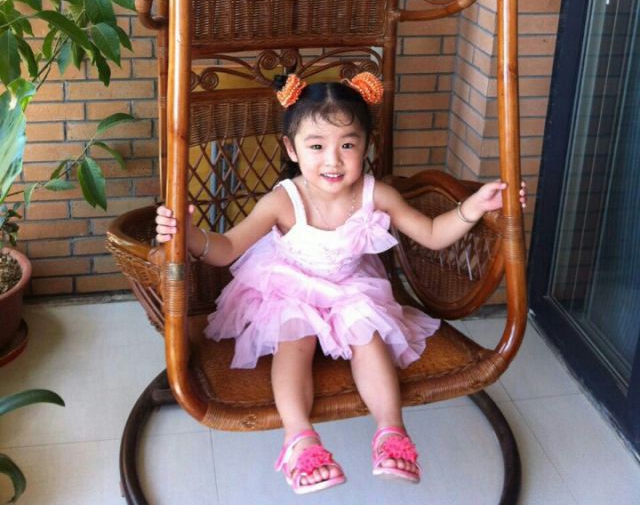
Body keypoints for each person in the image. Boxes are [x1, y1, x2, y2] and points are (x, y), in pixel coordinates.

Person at [155, 72, 527, 495]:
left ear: (365, 146)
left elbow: (432, 233)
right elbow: (226, 249)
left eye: (347, 145)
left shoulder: (375, 194)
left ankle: (391, 431)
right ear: (292, 149)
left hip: (350, 286)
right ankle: (299, 439)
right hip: (288, 286)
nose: (332, 161)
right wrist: (189, 235)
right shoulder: (283, 200)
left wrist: (474, 206)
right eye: (316, 146)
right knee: (294, 339)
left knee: (369, 336)